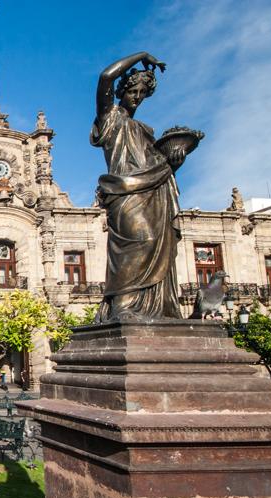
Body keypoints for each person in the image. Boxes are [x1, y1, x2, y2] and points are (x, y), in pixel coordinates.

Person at [92, 52, 186, 321]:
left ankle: (148, 308)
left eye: (142, 92)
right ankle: (123, 305)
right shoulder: (110, 117)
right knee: (140, 242)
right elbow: (105, 77)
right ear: (123, 90)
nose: (137, 96)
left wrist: (174, 163)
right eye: (133, 90)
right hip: (124, 192)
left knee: (157, 243)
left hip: (151, 192)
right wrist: (142, 55)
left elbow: (155, 165)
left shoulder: (143, 130)